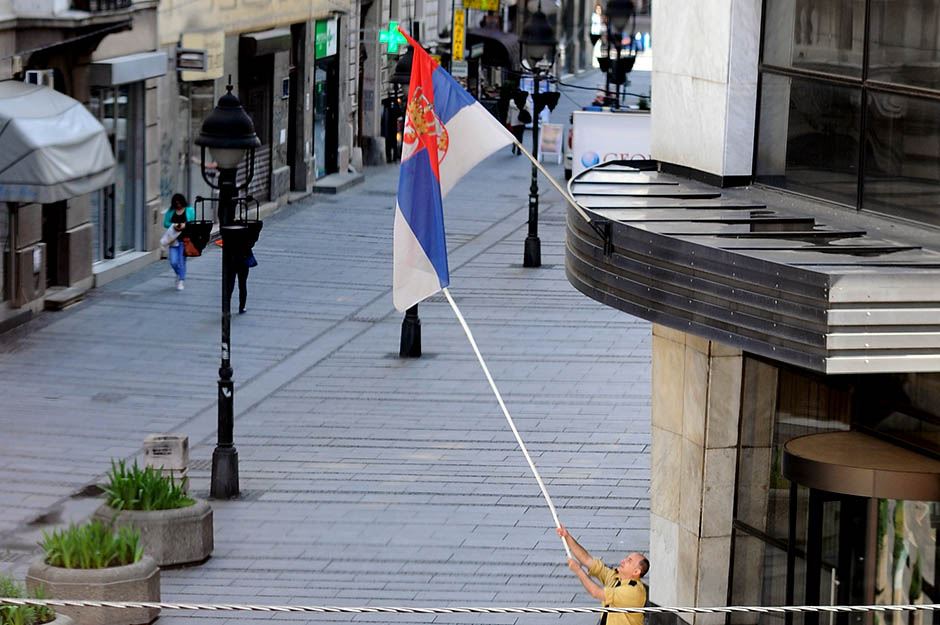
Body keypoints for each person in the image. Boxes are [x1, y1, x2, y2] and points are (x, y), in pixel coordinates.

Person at [557, 525, 649, 625]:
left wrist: (579, 571)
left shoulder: (633, 590)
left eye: (629, 561)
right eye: (626, 558)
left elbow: (596, 592)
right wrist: (567, 537)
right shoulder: (615, 577)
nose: (623, 561)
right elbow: (587, 560)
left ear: (636, 572)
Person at [163, 193, 195, 290]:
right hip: (173, 239)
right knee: (173, 261)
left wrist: (185, 225)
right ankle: (178, 274)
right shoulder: (171, 211)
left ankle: (181, 280)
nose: (178, 205)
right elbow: (165, 223)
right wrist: (174, 225)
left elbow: (192, 222)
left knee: (181, 261)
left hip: (185, 240)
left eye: (179, 203)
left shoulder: (189, 210)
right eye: (176, 203)